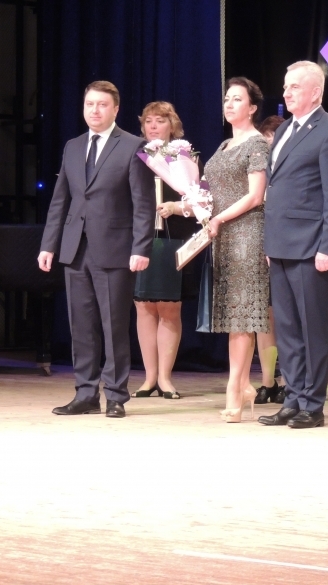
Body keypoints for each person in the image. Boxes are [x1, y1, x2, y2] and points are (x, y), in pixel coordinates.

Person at [38, 81, 155, 419]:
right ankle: (85, 393)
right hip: (76, 248)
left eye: (102, 104)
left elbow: (143, 204)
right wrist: (49, 245)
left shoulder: (133, 146)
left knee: (113, 324)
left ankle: (116, 395)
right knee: (81, 325)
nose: (95, 110)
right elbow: (60, 200)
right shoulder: (73, 146)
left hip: (115, 248)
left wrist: (141, 247)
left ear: (115, 109)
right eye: (90, 104)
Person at [259, 61, 328, 429]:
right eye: (286, 86)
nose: (286, 93)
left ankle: (313, 404)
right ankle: (293, 398)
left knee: (312, 329)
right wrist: (269, 242)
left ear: (316, 92)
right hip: (280, 244)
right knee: (287, 328)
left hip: (310, 246)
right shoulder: (285, 129)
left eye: (295, 87)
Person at [204, 76, 271, 423]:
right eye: (227, 99)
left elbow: (255, 196)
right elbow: (212, 191)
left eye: (237, 99)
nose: (229, 104)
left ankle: (235, 390)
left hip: (247, 233)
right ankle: (243, 385)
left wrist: (219, 217)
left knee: (243, 316)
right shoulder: (224, 145)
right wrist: (191, 205)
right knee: (234, 318)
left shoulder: (257, 144)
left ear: (252, 107)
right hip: (223, 235)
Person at [131, 102, 199, 400]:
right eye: (148, 121)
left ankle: (165, 379)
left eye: (160, 120)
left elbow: (200, 199)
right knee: (144, 307)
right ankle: (149, 378)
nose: (153, 126)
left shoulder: (185, 156)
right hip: (141, 239)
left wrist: (177, 206)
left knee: (170, 308)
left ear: (172, 125)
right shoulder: (135, 155)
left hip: (174, 238)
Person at [253, 115, 287, 405]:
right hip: (256, 245)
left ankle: (288, 380)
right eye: (265, 140)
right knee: (262, 319)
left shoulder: (286, 171)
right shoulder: (255, 169)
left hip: (281, 247)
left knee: (283, 317)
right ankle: (267, 382)